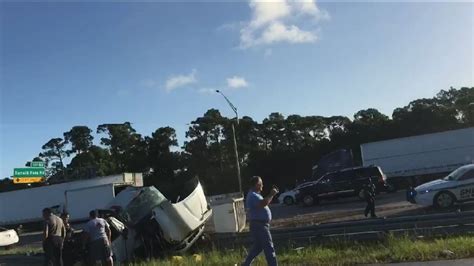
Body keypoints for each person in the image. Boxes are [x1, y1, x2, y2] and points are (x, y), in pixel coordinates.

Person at [242, 176, 279, 266]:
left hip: (258, 225)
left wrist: (271, 195)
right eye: (261, 183)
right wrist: (271, 194)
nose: (262, 185)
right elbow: (263, 203)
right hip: (260, 225)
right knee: (269, 247)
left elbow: (264, 202)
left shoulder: (255, 194)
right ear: (256, 185)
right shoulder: (253, 195)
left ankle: (246, 264)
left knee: (258, 247)